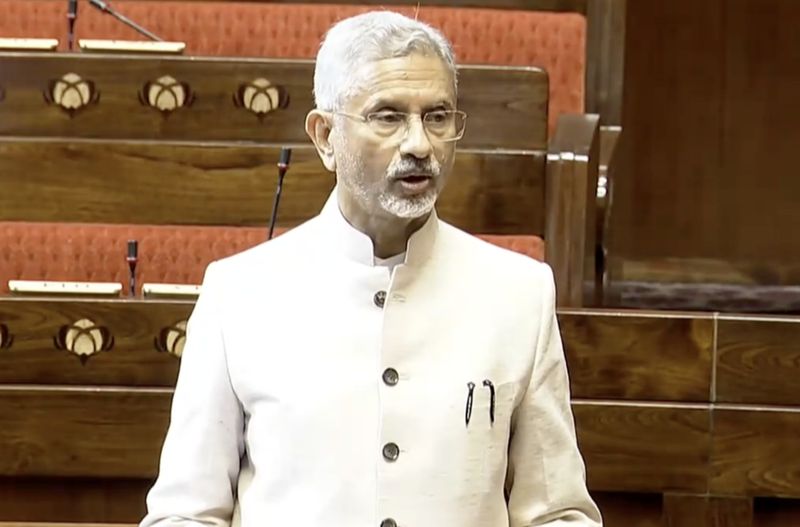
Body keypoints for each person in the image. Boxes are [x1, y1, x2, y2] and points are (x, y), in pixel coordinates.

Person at [140, 10, 602, 527]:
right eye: (388, 117)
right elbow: (185, 514)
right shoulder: (239, 295)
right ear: (325, 136)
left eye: (437, 116)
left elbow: (558, 513)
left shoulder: (519, 294)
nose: (419, 144)